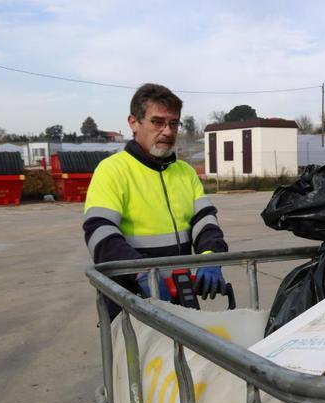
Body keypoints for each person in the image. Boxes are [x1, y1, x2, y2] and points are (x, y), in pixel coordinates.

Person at [83, 83, 228, 314]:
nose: (168, 132)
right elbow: (99, 232)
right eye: (157, 122)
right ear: (134, 122)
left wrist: (211, 256)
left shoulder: (185, 172)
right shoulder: (112, 170)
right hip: (131, 301)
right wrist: (141, 272)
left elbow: (205, 221)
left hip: (181, 296)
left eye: (173, 123)